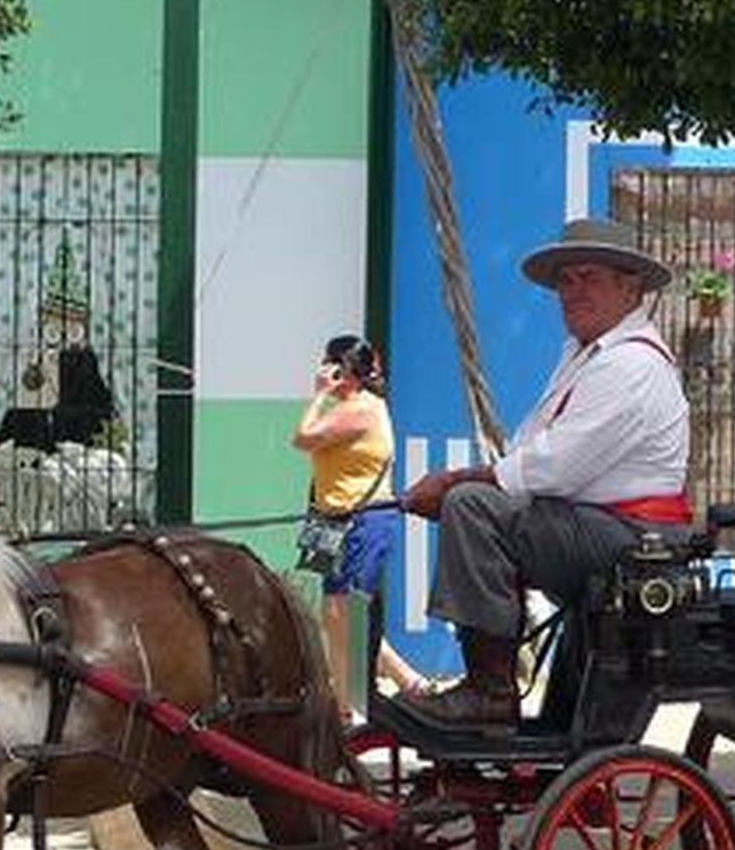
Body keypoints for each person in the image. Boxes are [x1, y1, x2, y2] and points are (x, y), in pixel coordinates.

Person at [399, 218, 691, 728]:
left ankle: (491, 689)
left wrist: (453, 483)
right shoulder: (583, 356)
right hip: (600, 527)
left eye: (587, 278)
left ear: (631, 287)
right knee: (476, 499)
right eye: (565, 281)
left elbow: (553, 466)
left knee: (472, 505)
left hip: (632, 539)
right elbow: (530, 449)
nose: (572, 292)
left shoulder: (630, 366)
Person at [290, 334, 424, 716]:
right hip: (331, 522)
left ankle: (348, 702)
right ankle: (401, 681)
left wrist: (318, 394)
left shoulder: (362, 408)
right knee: (336, 614)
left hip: (365, 519)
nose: (330, 373)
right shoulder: (343, 405)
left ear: (350, 371)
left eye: (336, 366)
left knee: (346, 612)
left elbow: (302, 438)